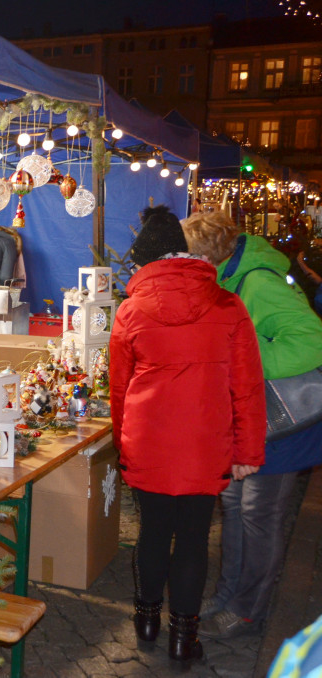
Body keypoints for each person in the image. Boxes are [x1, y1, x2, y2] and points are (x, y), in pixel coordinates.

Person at [110, 206, 265, 669]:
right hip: (204, 443)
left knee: (153, 532)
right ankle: (182, 639)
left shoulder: (131, 309)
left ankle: (146, 622)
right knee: (195, 540)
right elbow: (248, 386)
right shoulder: (228, 306)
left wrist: (124, 444)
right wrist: (248, 451)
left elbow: (120, 389)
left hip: (149, 440)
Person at [181, 211, 322, 640]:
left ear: (206, 255)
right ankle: (228, 596)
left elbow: (312, 341)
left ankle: (247, 611)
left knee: (258, 514)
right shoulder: (229, 278)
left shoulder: (257, 281)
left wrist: (242, 355)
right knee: (236, 508)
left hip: (283, 425)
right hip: (251, 418)